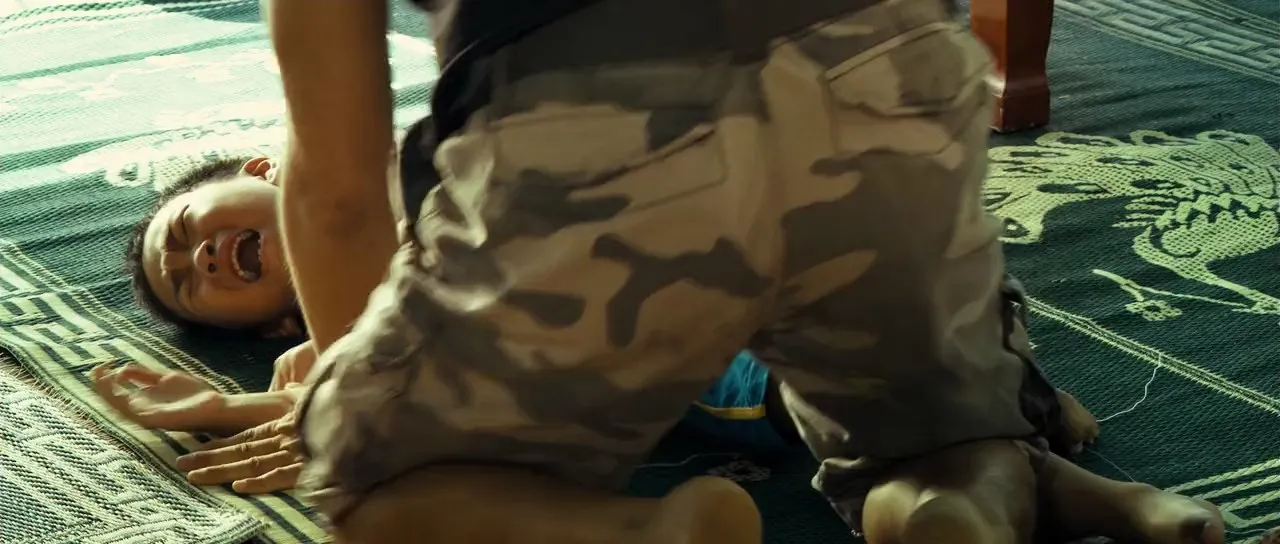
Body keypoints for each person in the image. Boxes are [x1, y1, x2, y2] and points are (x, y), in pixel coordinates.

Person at [243, 0, 1227, 541]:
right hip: (888, 62)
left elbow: (335, 191)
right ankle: (954, 503)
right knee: (929, 449)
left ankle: (657, 536)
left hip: (598, 107)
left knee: (385, 489)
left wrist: (363, 421)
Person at [94, 154, 804, 494]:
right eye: (188, 284)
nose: (199, 256)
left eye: (186, 230)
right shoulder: (362, 335)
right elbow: (383, 394)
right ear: (276, 327)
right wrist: (227, 408)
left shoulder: (418, 159)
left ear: (266, 169)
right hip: (732, 332)